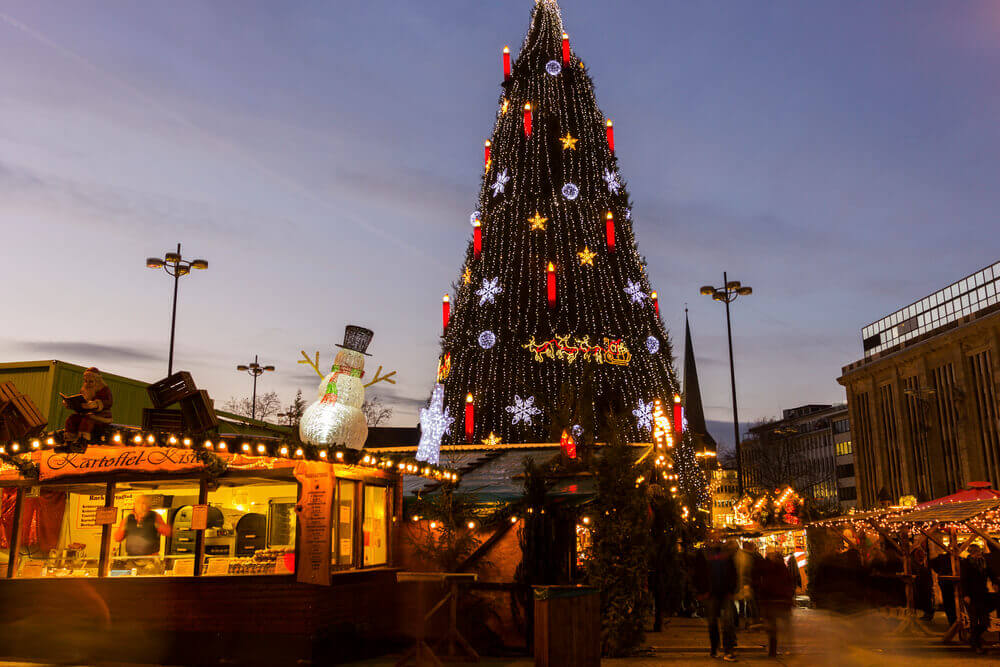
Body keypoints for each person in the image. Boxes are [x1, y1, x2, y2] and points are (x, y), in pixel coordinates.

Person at [694, 534, 739, 661]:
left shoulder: (726, 554)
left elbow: (732, 572)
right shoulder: (703, 554)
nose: (715, 540)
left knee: (728, 622)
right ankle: (715, 648)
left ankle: (728, 649)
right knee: (712, 622)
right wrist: (701, 590)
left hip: (724, 592)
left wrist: (731, 589)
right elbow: (698, 573)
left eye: (717, 537)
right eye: (712, 538)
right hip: (711, 593)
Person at [754, 546, 796, 657]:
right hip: (775, 600)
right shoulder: (778, 567)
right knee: (777, 627)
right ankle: (779, 649)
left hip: (775, 600)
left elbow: (788, 582)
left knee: (775, 627)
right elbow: (789, 582)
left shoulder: (766, 566)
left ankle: (777, 649)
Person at [62, 367, 113, 446]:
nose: (87, 384)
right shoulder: (84, 390)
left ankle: (82, 441)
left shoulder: (104, 389)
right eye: (86, 381)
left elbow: (108, 402)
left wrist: (96, 404)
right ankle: (69, 441)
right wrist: (70, 404)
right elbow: (79, 401)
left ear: (97, 381)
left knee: (87, 421)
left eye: (91, 382)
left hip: (100, 416)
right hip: (85, 413)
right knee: (71, 419)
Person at [960, 543, 995, 653]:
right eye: (974, 552)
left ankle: (973, 639)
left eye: (978, 551)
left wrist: (995, 582)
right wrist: (965, 595)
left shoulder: (983, 563)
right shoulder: (966, 563)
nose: (977, 554)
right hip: (971, 595)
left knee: (985, 622)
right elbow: (964, 580)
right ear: (971, 553)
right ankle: (976, 646)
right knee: (974, 620)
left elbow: (991, 574)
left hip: (982, 594)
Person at [112, 495, 172, 559]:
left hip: (150, 559)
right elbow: (117, 538)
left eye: (144, 503)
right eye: (138, 503)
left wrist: (157, 525)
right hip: (131, 559)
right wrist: (123, 528)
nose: (141, 505)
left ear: (148, 506)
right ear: (134, 505)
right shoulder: (128, 518)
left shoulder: (155, 516)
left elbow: (169, 532)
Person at [734, 541, 762, 629]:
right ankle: (753, 621)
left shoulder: (740, 555)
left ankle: (744, 621)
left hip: (745, 583)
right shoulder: (755, 555)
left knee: (746, 603)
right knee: (752, 603)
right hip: (750, 583)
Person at [929, 541, 957, 626]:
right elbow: (932, 563)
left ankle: (952, 620)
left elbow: (932, 563)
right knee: (952, 602)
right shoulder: (950, 558)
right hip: (947, 582)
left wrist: (939, 572)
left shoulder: (943, 558)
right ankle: (953, 620)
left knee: (949, 602)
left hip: (945, 582)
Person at [913, 548, 934, 621]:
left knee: (926, 599)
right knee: (926, 599)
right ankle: (928, 613)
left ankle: (928, 613)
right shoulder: (921, 568)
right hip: (924, 586)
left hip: (924, 586)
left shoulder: (920, 568)